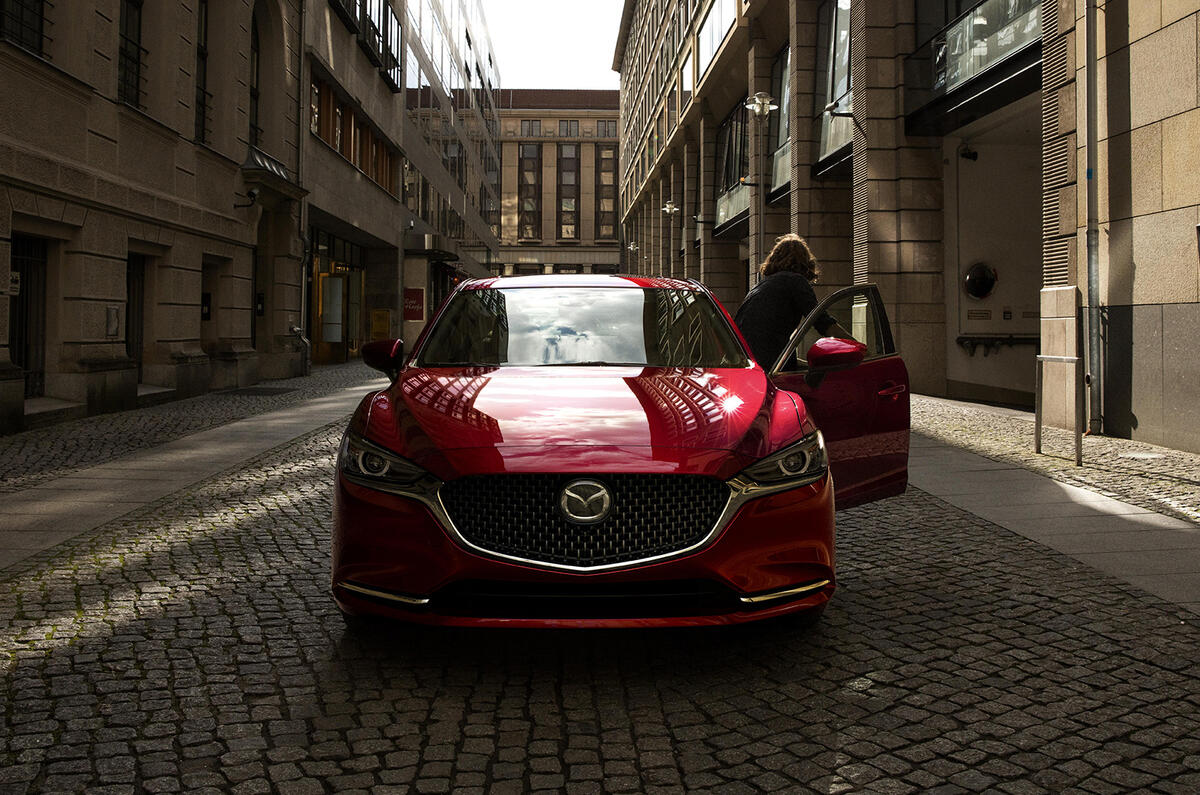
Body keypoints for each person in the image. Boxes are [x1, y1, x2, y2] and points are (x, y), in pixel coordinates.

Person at [734, 233, 851, 370]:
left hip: (745, 362)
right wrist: (858, 347)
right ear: (805, 261)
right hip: (768, 365)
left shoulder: (763, 285)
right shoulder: (796, 281)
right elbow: (822, 322)